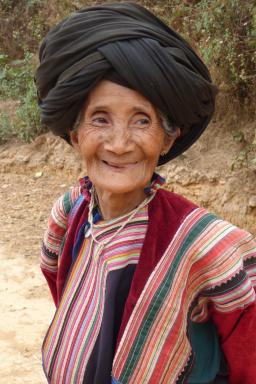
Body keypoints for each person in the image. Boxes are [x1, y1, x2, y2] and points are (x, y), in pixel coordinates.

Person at [35, 2, 256, 383]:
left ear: (168, 139)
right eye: (100, 119)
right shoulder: (70, 213)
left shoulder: (207, 245)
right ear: (75, 135)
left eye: (142, 121)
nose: (120, 144)